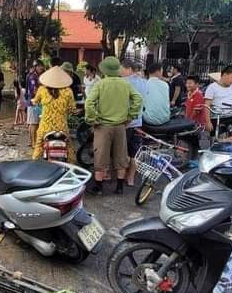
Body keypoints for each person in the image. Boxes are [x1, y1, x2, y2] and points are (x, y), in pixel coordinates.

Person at [85, 56, 143, 195]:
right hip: (121, 126)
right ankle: (119, 187)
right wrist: (130, 116)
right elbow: (138, 99)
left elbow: (89, 103)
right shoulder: (125, 84)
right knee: (121, 156)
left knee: (101, 156)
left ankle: (98, 187)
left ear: (104, 70)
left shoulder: (100, 84)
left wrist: (92, 118)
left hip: (103, 126)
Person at [31, 66, 77, 161]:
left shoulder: (42, 89)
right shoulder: (68, 91)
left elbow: (35, 101)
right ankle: (71, 167)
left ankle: (34, 165)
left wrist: (34, 101)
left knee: (38, 146)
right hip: (62, 127)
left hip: (45, 127)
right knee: (69, 148)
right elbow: (72, 108)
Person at [121, 59, 148, 188]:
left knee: (122, 151)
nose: (120, 72)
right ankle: (131, 178)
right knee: (134, 152)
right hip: (138, 122)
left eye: (121, 69)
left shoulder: (123, 82)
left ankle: (121, 175)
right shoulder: (143, 82)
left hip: (125, 122)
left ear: (128, 69)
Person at [204, 65, 232, 133]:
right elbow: (207, 106)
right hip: (219, 117)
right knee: (219, 140)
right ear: (224, 75)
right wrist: (208, 122)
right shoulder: (212, 87)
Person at [26, 60, 45, 146]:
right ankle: (33, 142)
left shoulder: (35, 76)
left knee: (32, 123)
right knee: (34, 123)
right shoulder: (33, 77)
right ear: (36, 67)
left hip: (33, 102)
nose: (42, 68)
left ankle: (31, 141)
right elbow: (34, 91)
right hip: (34, 102)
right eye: (40, 66)